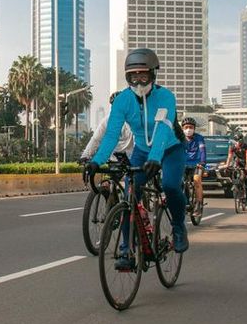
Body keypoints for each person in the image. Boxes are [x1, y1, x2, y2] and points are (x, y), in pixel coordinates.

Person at [84, 48, 189, 268]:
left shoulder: (166, 97)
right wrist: (96, 160)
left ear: (153, 74)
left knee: (170, 186)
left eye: (143, 75)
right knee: (129, 195)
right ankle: (126, 250)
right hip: (141, 150)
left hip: (170, 148)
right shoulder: (123, 100)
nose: (138, 81)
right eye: (133, 76)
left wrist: (156, 157)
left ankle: (179, 228)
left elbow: (162, 129)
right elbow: (112, 134)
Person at [80, 91, 134, 163]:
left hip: (133, 159)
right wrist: (85, 156)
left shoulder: (135, 119)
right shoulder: (107, 121)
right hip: (114, 160)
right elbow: (96, 139)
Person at [181, 117, 206, 217]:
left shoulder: (199, 138)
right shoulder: (180, 138)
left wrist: (202, 162)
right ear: (182, 129)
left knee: (196, 180)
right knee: (180, 182)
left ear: (194, 129)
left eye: (191, 127)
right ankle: (186, 202)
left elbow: (202, 151)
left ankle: (198, 205)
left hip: (197, 164)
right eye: (186, 127)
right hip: (183, 164)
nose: (188, 129)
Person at [224, 132, 247, 206]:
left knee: (244, 179)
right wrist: (227, 165)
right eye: (238, 140)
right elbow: (229, 157)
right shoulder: (232, 147)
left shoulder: (246, 146)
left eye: (241, 139)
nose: (239, 141)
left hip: (245, 162)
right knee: (234, 173)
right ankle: (236, 188)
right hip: (237, 162)